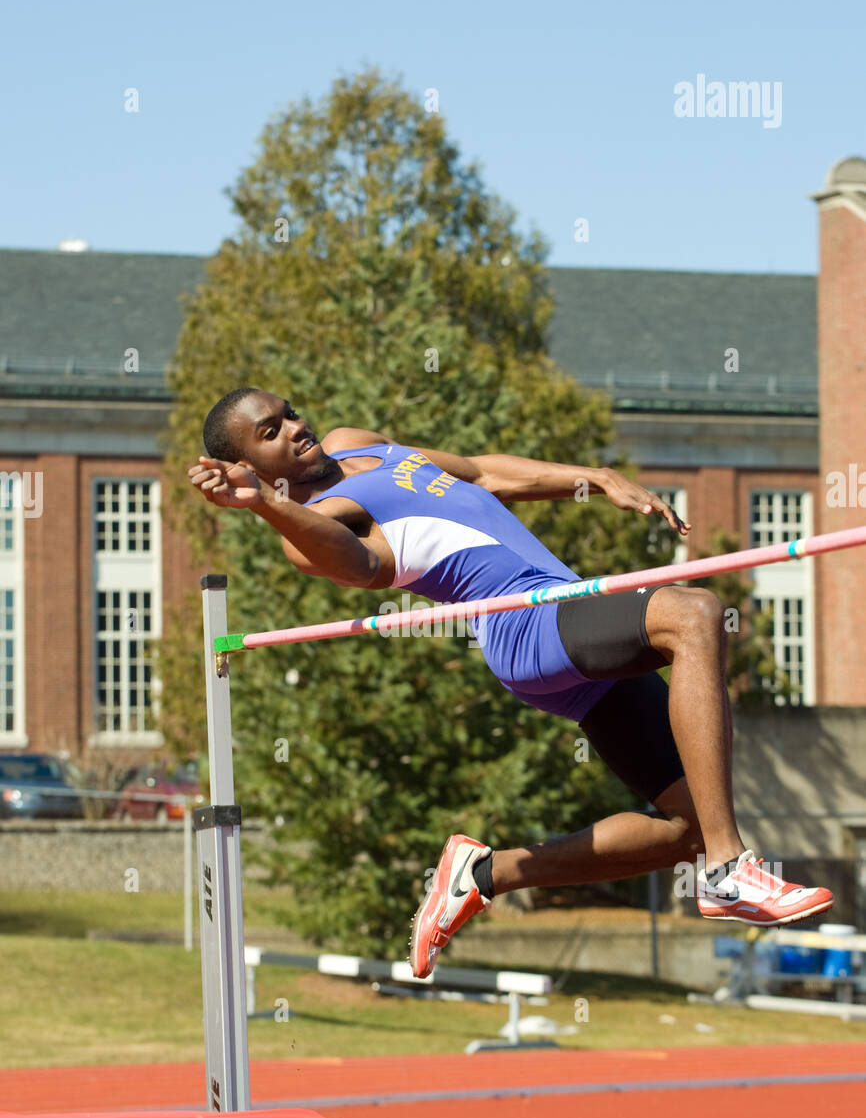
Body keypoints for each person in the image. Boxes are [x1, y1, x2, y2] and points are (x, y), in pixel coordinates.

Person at [189, 387, 833, 978]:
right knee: (692, 615)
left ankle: (481, 874)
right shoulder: (316, 522)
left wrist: (594, 478)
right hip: (526, 628)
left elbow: (480, 471)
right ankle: (729, 870)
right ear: (252, 465)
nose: (296, 429)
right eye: (270, 433)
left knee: (684, 828)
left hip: (563, 613)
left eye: (290, 412)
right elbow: (354, 564)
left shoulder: (357, 443)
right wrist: (267, 505)